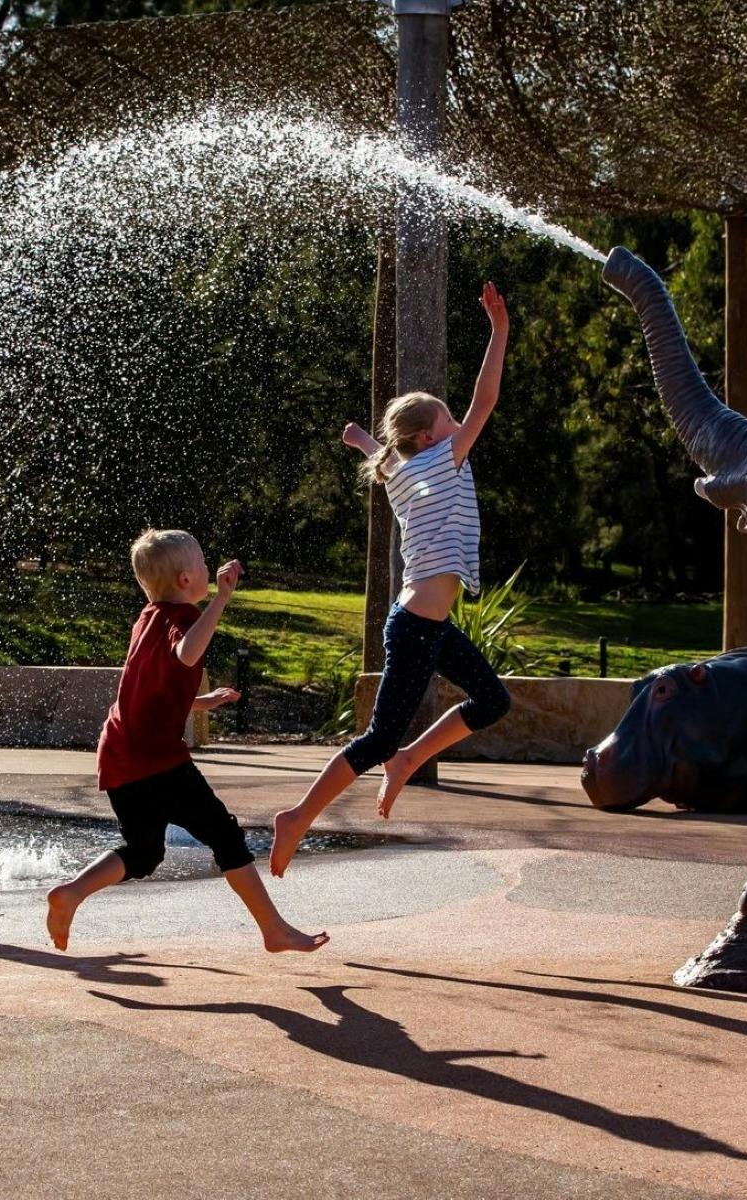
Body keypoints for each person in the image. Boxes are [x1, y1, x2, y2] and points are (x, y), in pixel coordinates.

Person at [269, 283, 513, 877]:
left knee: (493, 700)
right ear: (432, 437)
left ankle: (405, 762)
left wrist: (364, 442)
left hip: (427, 626)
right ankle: (297, 816)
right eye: (449, 419)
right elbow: (486, 398)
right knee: (376, 737)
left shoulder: (405, 472)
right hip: (414, 629)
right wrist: (499, 332)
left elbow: (391, 456)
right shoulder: (442, 458)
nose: (461, 423)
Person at [45, 529, 329, 954]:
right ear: (184, 580)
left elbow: (150, 691)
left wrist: (197, 701)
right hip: (155, 760)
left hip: (120, 754)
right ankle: (274, 929)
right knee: (226, 837)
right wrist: (222, 599)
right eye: (201, 563)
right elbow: (186, 655)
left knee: (143, 852)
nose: (207, 570)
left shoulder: (148, 617)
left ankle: (72, 892)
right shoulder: (182, 619)